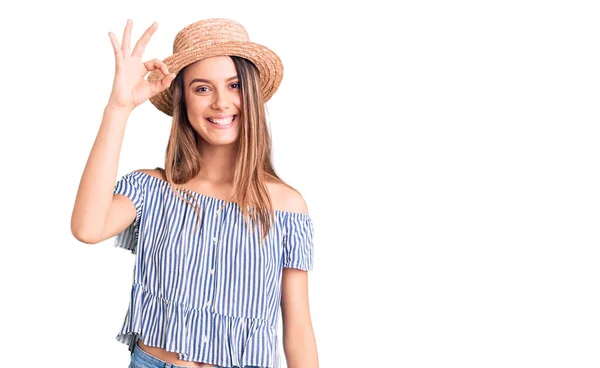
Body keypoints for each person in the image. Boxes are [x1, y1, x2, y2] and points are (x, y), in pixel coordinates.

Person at [70, 18, 318, 368]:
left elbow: (298, 330)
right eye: (202, 89)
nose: (221, 103)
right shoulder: (152, 189)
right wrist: (119, 108)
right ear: (182, 100)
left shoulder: (286, 207)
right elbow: (87, 228)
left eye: (234, 85)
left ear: (251, 93)